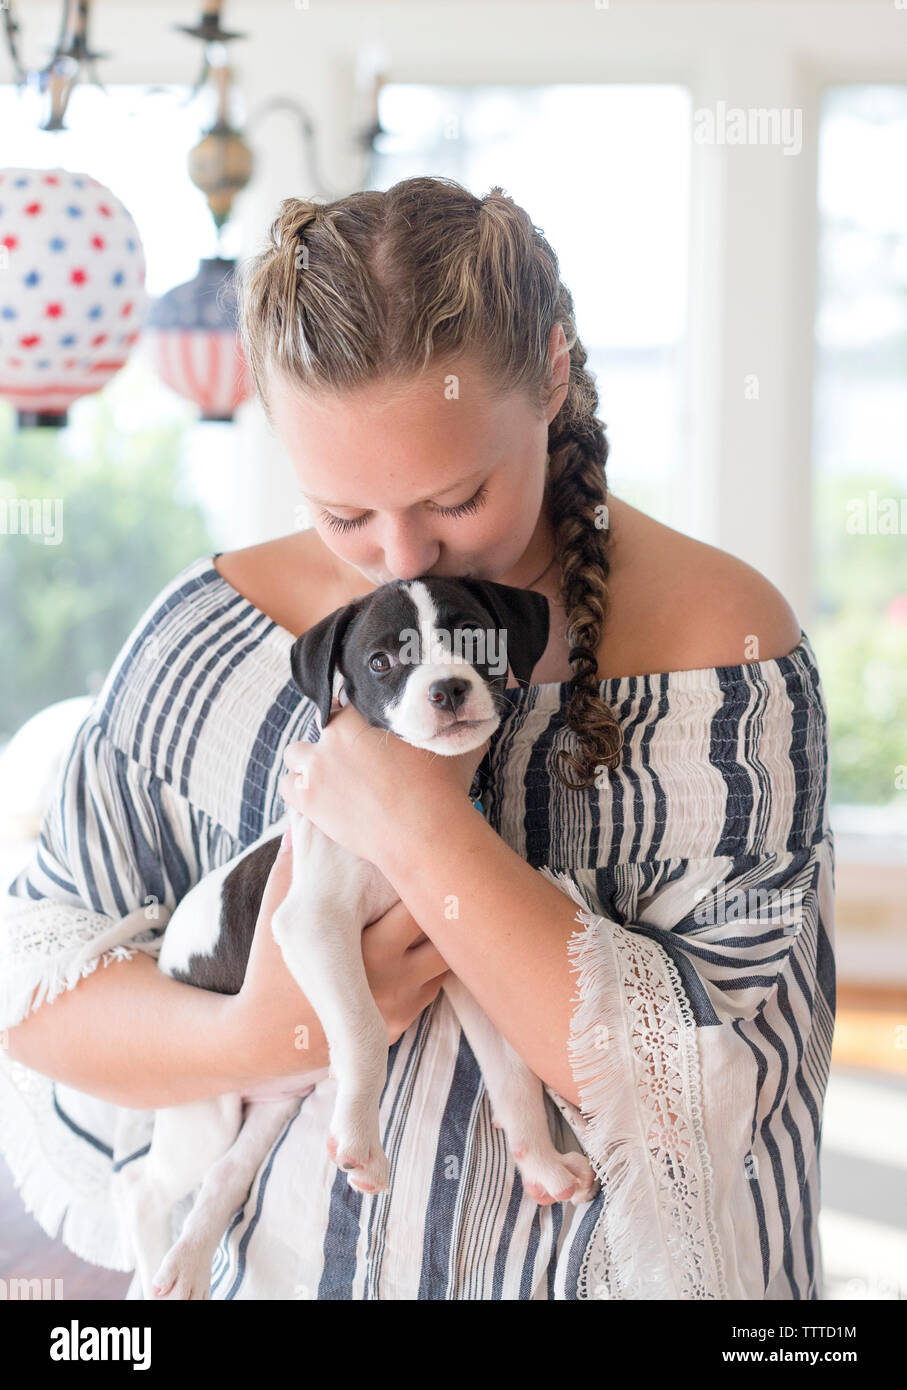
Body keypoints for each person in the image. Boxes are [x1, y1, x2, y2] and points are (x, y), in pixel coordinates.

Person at [0, 176, 835, 1300]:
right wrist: (267, 1032)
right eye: (343, 514)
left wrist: (421, 829)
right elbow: (37, 994)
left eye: (457, 498)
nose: (401, 560)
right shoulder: (211, 640)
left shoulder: (717, 647)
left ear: (550, 370)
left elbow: (696, 1098)